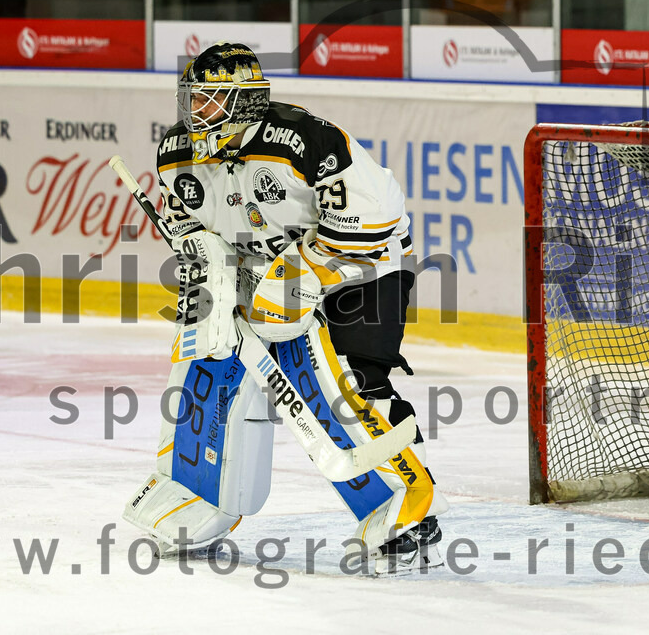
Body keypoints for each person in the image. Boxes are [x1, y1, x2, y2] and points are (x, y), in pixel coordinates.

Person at [122, 42, 447, 574]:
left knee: (346, 379)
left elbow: (378, 216)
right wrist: (208, 268)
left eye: (208, 100)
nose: (194, 111)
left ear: (244, 102)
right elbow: (192, 229)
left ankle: (407, 509)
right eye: (193, 98)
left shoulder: (302, 139)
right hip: (264, 267)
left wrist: (303, 272)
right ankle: (199, 493)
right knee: (208, 352)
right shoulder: (177, 153)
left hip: (361, 270)